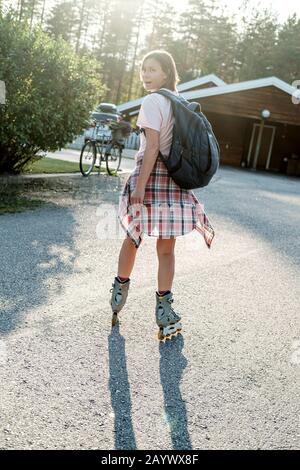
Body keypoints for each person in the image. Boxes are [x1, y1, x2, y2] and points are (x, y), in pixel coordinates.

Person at [109, 50, 216, 341]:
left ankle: (118, 295)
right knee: (166, 250)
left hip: (152, 176)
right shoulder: (178, 102)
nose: (145, 75)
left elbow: (152, 147)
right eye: (143, 69)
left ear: (166, 73)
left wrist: (140, 187)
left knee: (133, 237)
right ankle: (165, 311)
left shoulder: (153, 100)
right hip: (176, 179)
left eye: (152, 70)